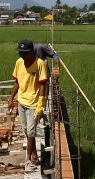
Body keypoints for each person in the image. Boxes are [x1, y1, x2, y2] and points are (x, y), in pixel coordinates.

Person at [6, 39, 57, 171]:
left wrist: (41, 104)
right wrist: (11, 98)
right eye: (20, 53)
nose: (22, 55)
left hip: (34, 103)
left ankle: (28, 159)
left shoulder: (40, 64)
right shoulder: (19, 62)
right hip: (22, 101)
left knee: (31, 131)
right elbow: (17, 82)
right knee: (27, 131)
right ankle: (34, 156)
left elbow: (43, 84)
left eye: (25, 53)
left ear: (31, 52)